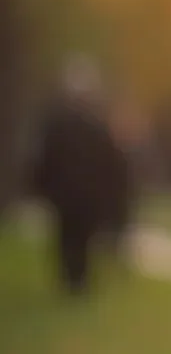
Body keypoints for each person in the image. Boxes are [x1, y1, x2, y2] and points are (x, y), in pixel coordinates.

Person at [31, 58, 132, 293]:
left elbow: (45, 157)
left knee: (69, 234)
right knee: (79, 235)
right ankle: (77, 279)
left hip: (67, 192)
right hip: (83, 193)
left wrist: (41, 185)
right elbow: (111, 162)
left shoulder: (60, 123)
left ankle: (72, 278)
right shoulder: (92, 124)